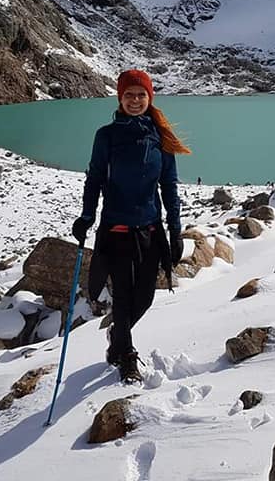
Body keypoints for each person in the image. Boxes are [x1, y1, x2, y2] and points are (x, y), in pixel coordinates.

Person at [72, 69, 190, 383]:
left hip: (150, 230)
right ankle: (126, 355)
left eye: (141, 95)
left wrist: (175, 228)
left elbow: (169, 185)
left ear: (149, 98)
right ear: (119, 98)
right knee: (123, 296)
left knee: (146, 297)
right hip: (116, 230)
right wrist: (87, 216)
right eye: (129, 95)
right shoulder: (106, 135)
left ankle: (117, 334)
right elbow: (95, 178)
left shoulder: (159, 138)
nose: (135, 101)